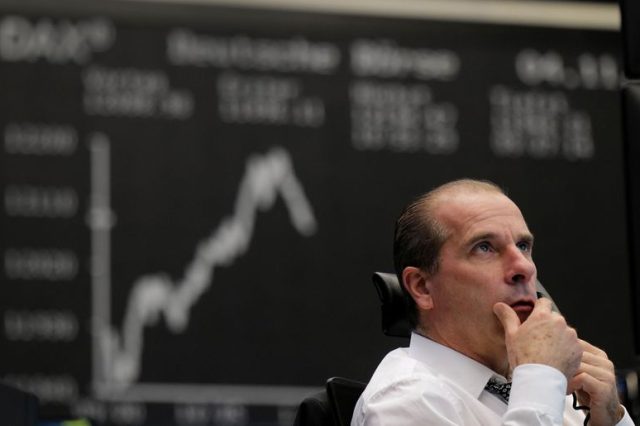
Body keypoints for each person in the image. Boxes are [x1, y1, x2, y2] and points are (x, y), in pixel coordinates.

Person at [352, 179, 634, 426]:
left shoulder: (552, 389)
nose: (524, 267)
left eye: (523, 246)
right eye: (484, 247)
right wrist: (540, 377)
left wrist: (612, 421)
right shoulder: (404, 400)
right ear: (422, 287)